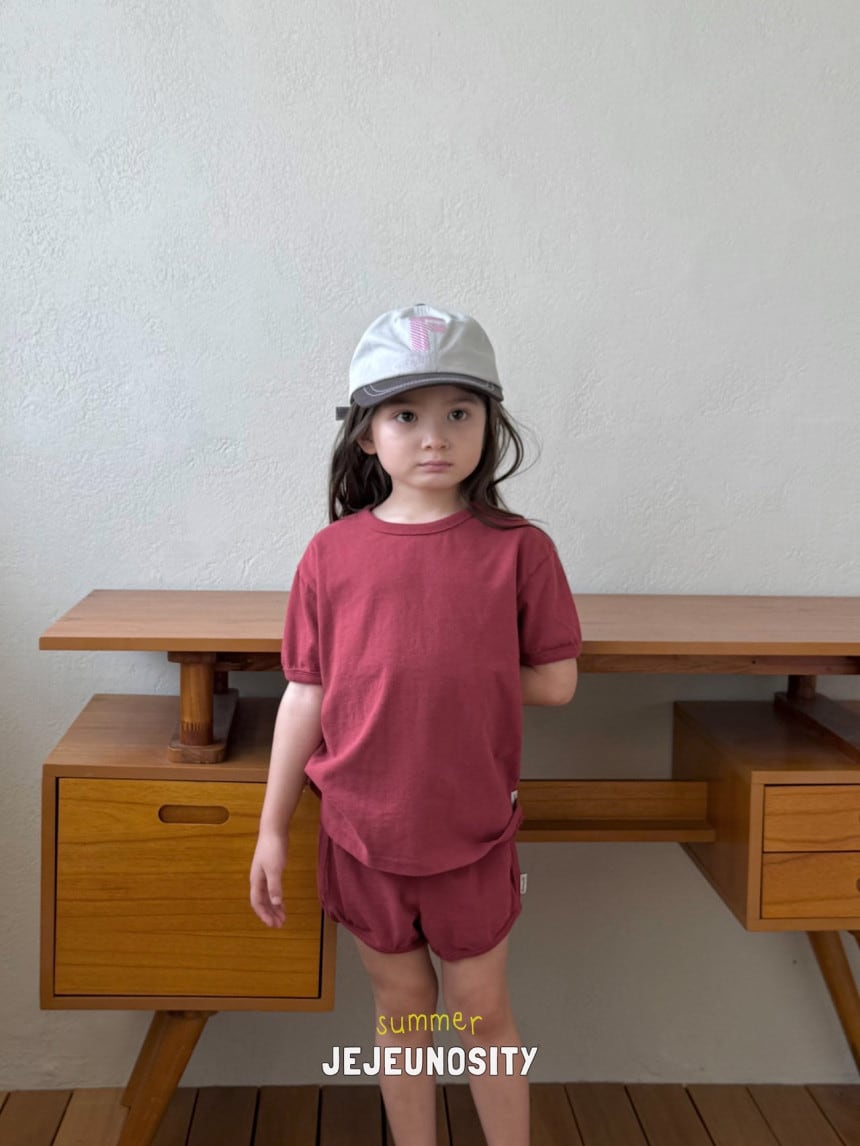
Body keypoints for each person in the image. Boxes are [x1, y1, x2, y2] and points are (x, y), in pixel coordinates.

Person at [250, 303, 582, 1146]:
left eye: (459, 413)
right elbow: (305, 694)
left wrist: (452, 673)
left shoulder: (520, 550)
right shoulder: (331, 555)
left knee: (481, 1013)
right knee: (400, 1011)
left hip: (472, 832)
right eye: (406, 416)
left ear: (489, 423)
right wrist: (272, 829)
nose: (435, 437)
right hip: (360, 834)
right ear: (367, 434)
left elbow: (556, 682)